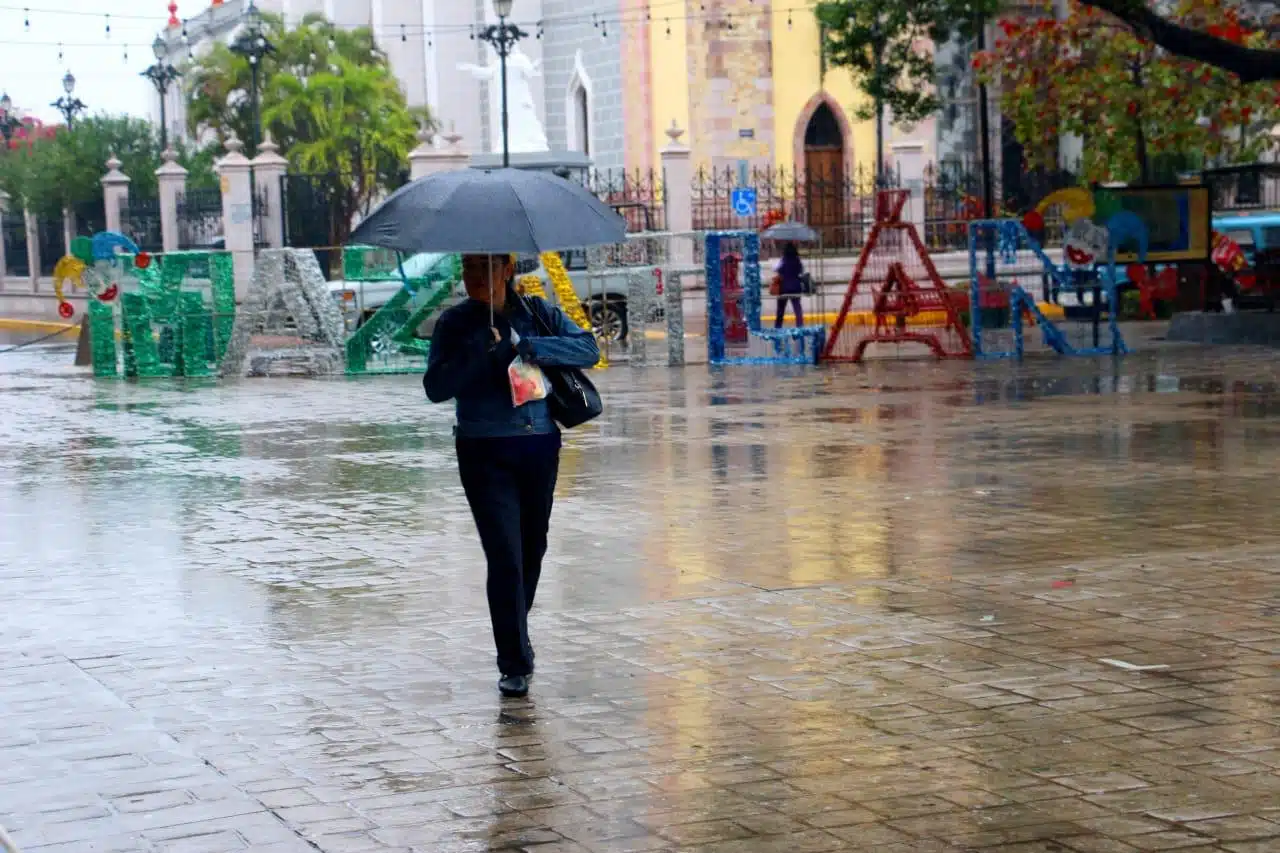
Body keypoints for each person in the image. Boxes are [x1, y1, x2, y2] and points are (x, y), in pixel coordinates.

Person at [423, 254, 600, 698]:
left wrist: (530, 346)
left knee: (532, 547)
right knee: (504, 554)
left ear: (505, 269)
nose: (473, 278)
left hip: (539, 444)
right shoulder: (455, 322)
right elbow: (435, 388)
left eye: (483, 269)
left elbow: (588, 349)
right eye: (467, 269)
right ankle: (514, 660)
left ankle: (515, 630)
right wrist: (480, 352)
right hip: (482, 449)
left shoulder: (537, 311)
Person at [774, 242, 806, 328]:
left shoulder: (783, 260)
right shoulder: (797, 260)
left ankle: (778, 327)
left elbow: (776, 269)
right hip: (796, 287)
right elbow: (801, 271)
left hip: (784, 288)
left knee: (781, 309)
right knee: (797, 308)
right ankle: (800, 327)